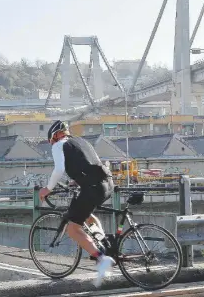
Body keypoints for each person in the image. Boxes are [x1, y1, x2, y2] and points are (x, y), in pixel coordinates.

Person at [38, 120, 115, 287]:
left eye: (51, 139)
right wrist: (77, 181)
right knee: (87, 216)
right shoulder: (81, 141)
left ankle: (102, 258)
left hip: (93, 187)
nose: (52, 143)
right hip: (107, 183)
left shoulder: (59, 145)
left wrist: (48, 189)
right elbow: (89, 165)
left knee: (73, 229)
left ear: (56, 135)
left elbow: (58, 170)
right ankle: (103, 243)